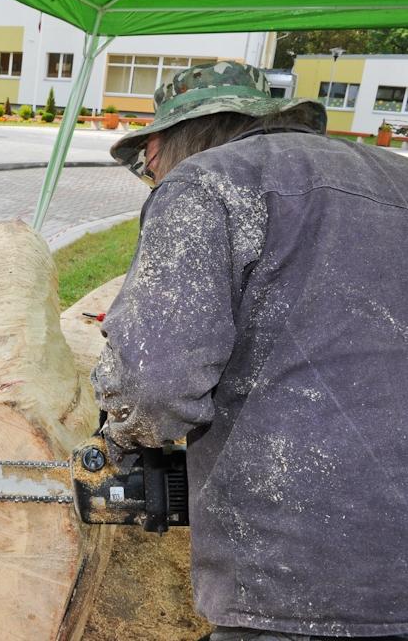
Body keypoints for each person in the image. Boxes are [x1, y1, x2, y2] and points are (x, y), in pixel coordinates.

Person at [93, 61, 408, 640]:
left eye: (148, 165)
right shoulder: (398, 177)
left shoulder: (207, 182)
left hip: (299, 569)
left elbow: (156, 382)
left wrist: (121, 433)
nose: (152, 175)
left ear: (163, 143)